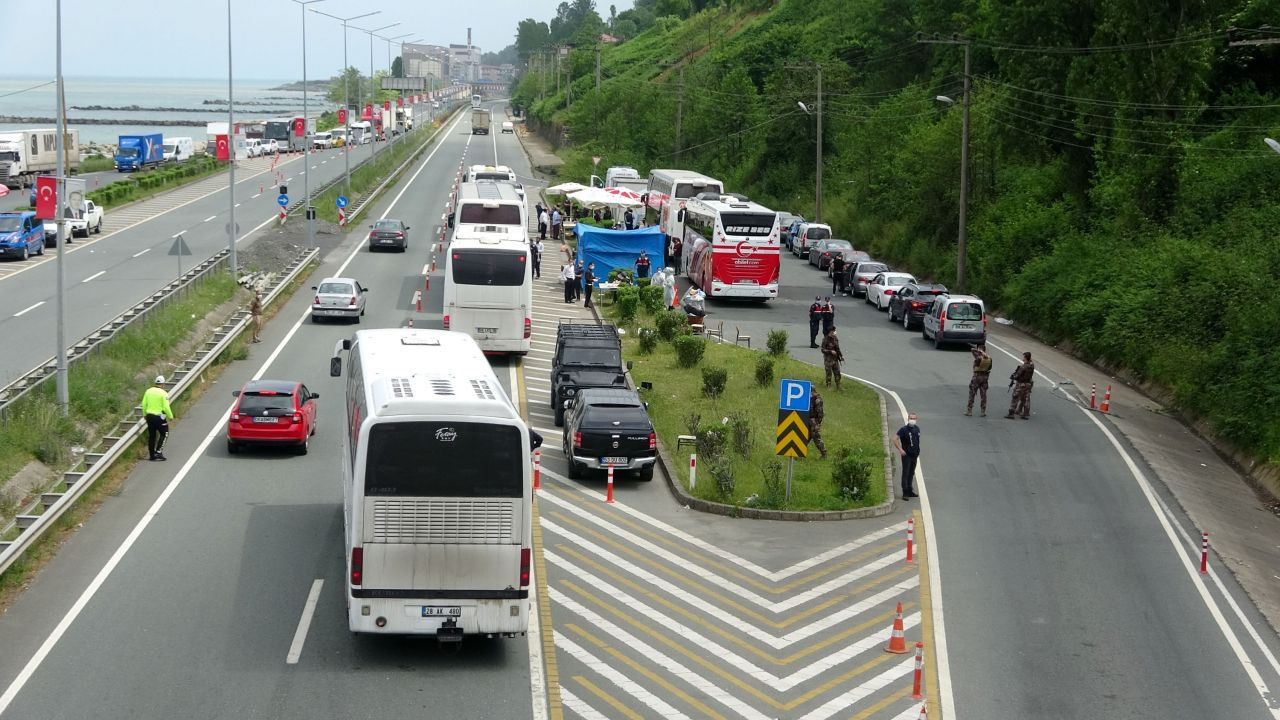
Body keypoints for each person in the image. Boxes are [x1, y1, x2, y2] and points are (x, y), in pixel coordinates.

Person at [142, 375, 174, 461]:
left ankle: (152, 455)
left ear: (155, 383)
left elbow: (144, 404)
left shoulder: (148, 391)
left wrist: (144, 414)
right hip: (159, 417)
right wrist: (170, 416)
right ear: (163, 384)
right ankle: (159, 452)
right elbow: (166, 407)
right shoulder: (163, 393)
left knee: (152, 436)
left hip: (149, 416)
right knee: (165, 434)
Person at [891, 413, 921, 499]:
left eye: (914, 418)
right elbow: (895, 438)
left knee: (911, 473)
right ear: (908, 419)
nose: (912, 420)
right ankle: (905, 492)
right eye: (911, 418)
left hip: (914, 455)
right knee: (906, 472)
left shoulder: (917, 429)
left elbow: (917, 441)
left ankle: (910, 489)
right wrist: (900, 449)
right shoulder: (904, 429)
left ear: (916, 419)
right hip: (906, 455)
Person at [1006, 351, 1036, 419]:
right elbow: (1030, 362)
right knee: (1025, 399)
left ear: (1025, 357)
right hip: (1028, 384)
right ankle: (1024, 414)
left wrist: (1013, 376)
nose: (1022, 359)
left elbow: (1017, 376)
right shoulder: (1032, 366)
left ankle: (1011, 413)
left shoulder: (1023, 367)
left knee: (1015, 397)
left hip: (1021, 384)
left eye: (1023, 357)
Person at [966, 343, 993, 416]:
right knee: (983, 394)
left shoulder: (979, 358)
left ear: (980, 350)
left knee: (972, 393)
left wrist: (978, 351)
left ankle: (969, 410)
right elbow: (990, 368)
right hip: (985, 377)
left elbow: (972, 350)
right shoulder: (989, 358)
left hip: (977, 377)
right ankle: (983, 411)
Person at [808, 386, 827, 459]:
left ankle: (824, 454)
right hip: (809, 420)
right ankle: (799, 453)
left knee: (816, 438)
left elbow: (820, 414)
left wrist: (817, 424)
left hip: (814, 422)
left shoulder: (818, 400)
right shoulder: (811, 399)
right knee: (805, 437)